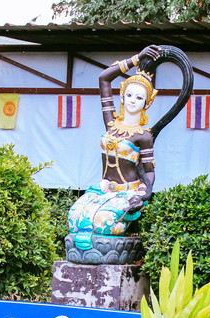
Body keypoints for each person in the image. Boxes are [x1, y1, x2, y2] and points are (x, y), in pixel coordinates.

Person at [67, 45, 162, 250]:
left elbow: (149, 172)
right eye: (129, 95)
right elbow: (104, 78)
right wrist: (137, 58)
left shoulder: (143, 136)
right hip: (103, 187)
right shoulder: (111, 123)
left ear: (147, 102)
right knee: (74, 218)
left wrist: (142, 195)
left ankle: (111, 248)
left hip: (127, 191)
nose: (133, 101)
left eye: (139, 97)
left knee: (103, 223)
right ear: (122, 95)